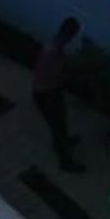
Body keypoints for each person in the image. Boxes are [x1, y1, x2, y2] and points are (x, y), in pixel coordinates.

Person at [32, 17, 83, 172]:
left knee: (59, 123)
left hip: (48, 91)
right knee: (58, 126)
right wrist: (70, 72)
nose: (72, 40)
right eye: (73, 36)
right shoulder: (53, 50)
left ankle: (63, 143)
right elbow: (57, 73)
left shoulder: (55, 45)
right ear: (68, 33)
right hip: (46, 94)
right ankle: (65, 162)